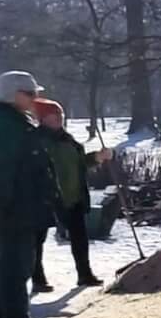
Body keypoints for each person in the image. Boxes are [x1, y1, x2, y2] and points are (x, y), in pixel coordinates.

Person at [0, 70, 58, 318]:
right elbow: (6, 169)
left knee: (15, 264)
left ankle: (9, 317)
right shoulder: (8, 126)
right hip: (13, 211)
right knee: (16, 264)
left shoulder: (15, 122)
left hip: (17, 207)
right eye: (31, 94)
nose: (35, 99)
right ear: (15, 95)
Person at [31, 99, 109, 290]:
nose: (58, 119)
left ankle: (85, 274)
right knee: (37, 240)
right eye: (53, 116)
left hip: (73, 195)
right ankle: (38, 279)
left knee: (80, 237)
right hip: (46, 197)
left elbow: (79, 163)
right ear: (43, 119)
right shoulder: (36, 140)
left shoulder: (68, 139)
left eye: (60, 116)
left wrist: (97, 157)